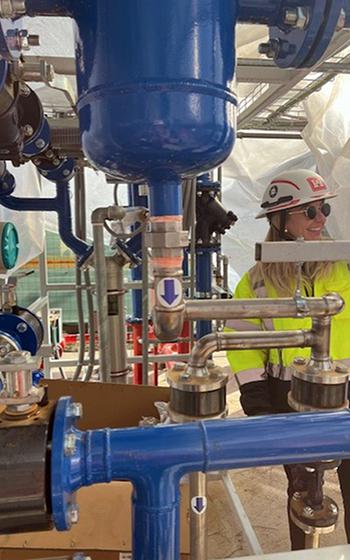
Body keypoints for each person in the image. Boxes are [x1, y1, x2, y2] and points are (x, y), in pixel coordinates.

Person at [226, 169, 350, 550]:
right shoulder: (258, 281)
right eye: (309, 212)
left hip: (345, 394)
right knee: (302, 488)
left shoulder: (345, 267)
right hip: (289, 398)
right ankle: (303, 555)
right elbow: (241, 339)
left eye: (323, 208)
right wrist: (256, 397)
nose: (321, 219)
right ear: (281, 221)